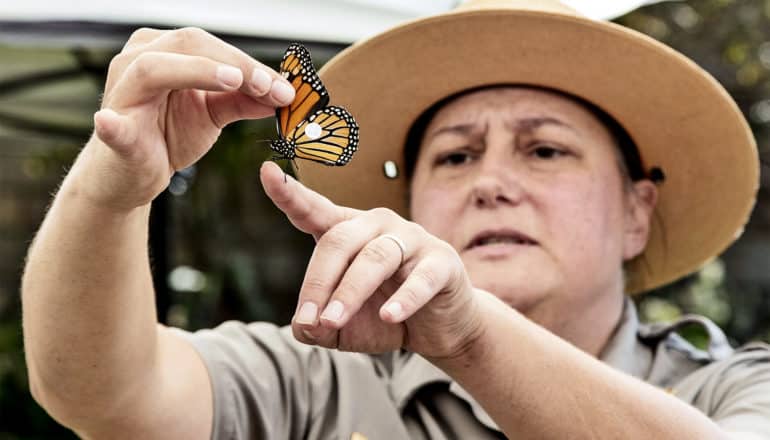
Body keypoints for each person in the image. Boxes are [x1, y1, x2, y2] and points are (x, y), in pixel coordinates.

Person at [20, 0, 770, 438]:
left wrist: (470, 335)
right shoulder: (312, 375)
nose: (491, 184)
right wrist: (112, 192)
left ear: (638, 214)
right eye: (453, 157)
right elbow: (103, 395)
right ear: (408, 208)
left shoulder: (729, 387)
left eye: (544, 150)